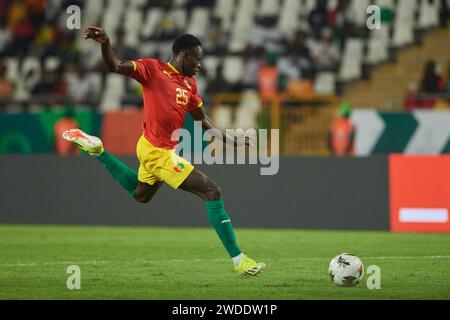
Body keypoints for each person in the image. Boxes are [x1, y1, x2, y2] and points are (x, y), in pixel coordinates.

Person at [62, 26, 265, 277]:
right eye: (198, 60)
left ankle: (99, 150)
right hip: (157, 151)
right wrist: (106, 43)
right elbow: (115, 65)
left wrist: (233, 140)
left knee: (141, 195)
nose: (200, 66)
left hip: (154, 148)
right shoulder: (153, 70)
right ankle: (239, 260)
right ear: (185, 56)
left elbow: (203, 120)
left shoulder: (189, 84)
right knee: (212, 191)